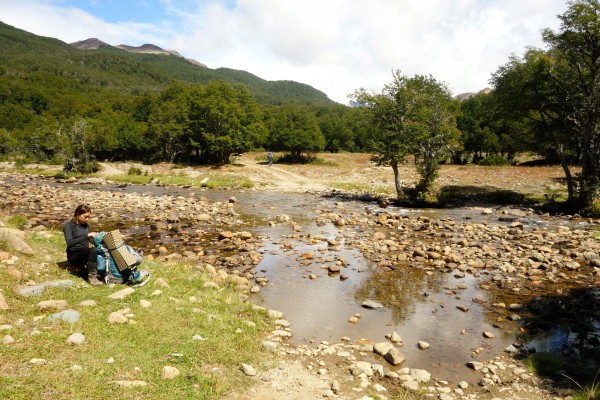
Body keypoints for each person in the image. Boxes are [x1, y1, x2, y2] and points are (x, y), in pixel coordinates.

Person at [63, 204, 103, 286]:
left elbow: (90, 240)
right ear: (77, 214)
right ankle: (92, 277)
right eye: (85, 217)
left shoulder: (85, 226)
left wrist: (96, 238)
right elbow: (69, 242)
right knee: (93, 250)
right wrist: (87, 236)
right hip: (74, 256)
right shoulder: (68, 226)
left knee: (100, 249)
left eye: (88, 217)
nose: (87, 219)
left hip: (84, 253)